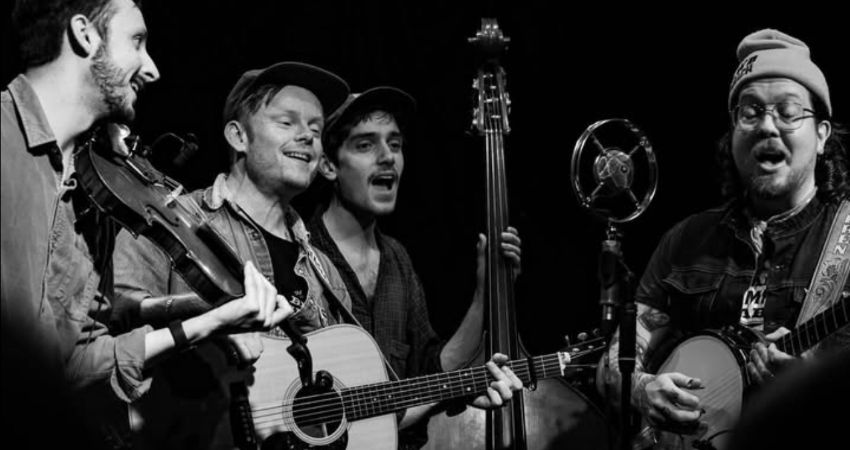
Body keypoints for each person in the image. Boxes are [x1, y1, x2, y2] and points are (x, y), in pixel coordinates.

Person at [111, 70, 522, 449]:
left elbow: (363, 410)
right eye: (287, 122)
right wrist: (209, 330)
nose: (307, 137)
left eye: (315, 129)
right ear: (238, 136)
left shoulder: (323, 272)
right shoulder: (169, 223)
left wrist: (455, 388)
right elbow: (111, 341)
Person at [0, 0, 293, 447]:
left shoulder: (96, 191)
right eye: (137, 41)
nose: (152, 69)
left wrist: (205, 320)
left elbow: (75, 361)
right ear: (84, 34)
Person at [599, 28, 849, 446]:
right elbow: (613, 366)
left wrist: (815, 389)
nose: (767, 126)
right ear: (733, 130)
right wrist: (643, 389)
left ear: (822, 135)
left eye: (788, 111)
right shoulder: (685, 242)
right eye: (750, 112)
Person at [308, 86, 523, 449]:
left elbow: (434, 371)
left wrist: (485, 292)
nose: (387, 157)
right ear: (328, 165)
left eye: (395, 144)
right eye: (365, 145)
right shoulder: (302, 255)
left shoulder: (397, 260)